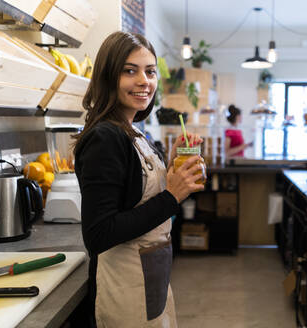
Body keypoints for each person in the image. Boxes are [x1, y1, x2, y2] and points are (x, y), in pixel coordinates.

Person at [73, 31, 204, 328]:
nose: (144, 81)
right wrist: (171, 196)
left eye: (150, 71)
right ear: (109, 77)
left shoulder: (133, 133)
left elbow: (137, 195)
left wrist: (172, 168)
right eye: (130, 71)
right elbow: (99, 234)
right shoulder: (104, 137)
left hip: (151, 277)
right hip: (124, 285)